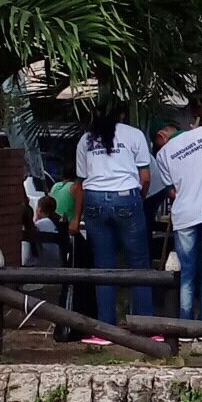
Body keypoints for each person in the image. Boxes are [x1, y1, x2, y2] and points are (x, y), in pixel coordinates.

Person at [69, 98, 155, 345]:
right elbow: (146, 176)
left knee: (103, 266)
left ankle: (104, 330)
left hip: (94, 201)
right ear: (123, 115)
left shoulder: (85, 140)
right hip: (126, 197)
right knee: (138, 263)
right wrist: (138, 197)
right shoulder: (134, 135)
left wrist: (76, 218)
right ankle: (145, 325)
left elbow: (80, 185)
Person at [153, 120, 202, 325]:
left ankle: (185, 325)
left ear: (162, 136)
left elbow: (172, 191)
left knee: (186, 273)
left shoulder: (163, 155)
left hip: (184, 216)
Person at [31, 196, 65, 268]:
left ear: (39, 209)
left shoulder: (40, 225)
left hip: (44, 263)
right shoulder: (59, 223)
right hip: (59, 262)